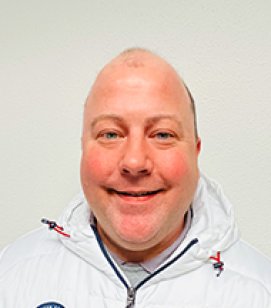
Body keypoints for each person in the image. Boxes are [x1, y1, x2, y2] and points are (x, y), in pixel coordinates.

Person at [0, 48, 271, 308]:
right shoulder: (10, 277)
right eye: (111, 134)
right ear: (83, 146)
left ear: (196, 151)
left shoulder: (260, 293)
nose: (134, 162)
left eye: (163, 134)